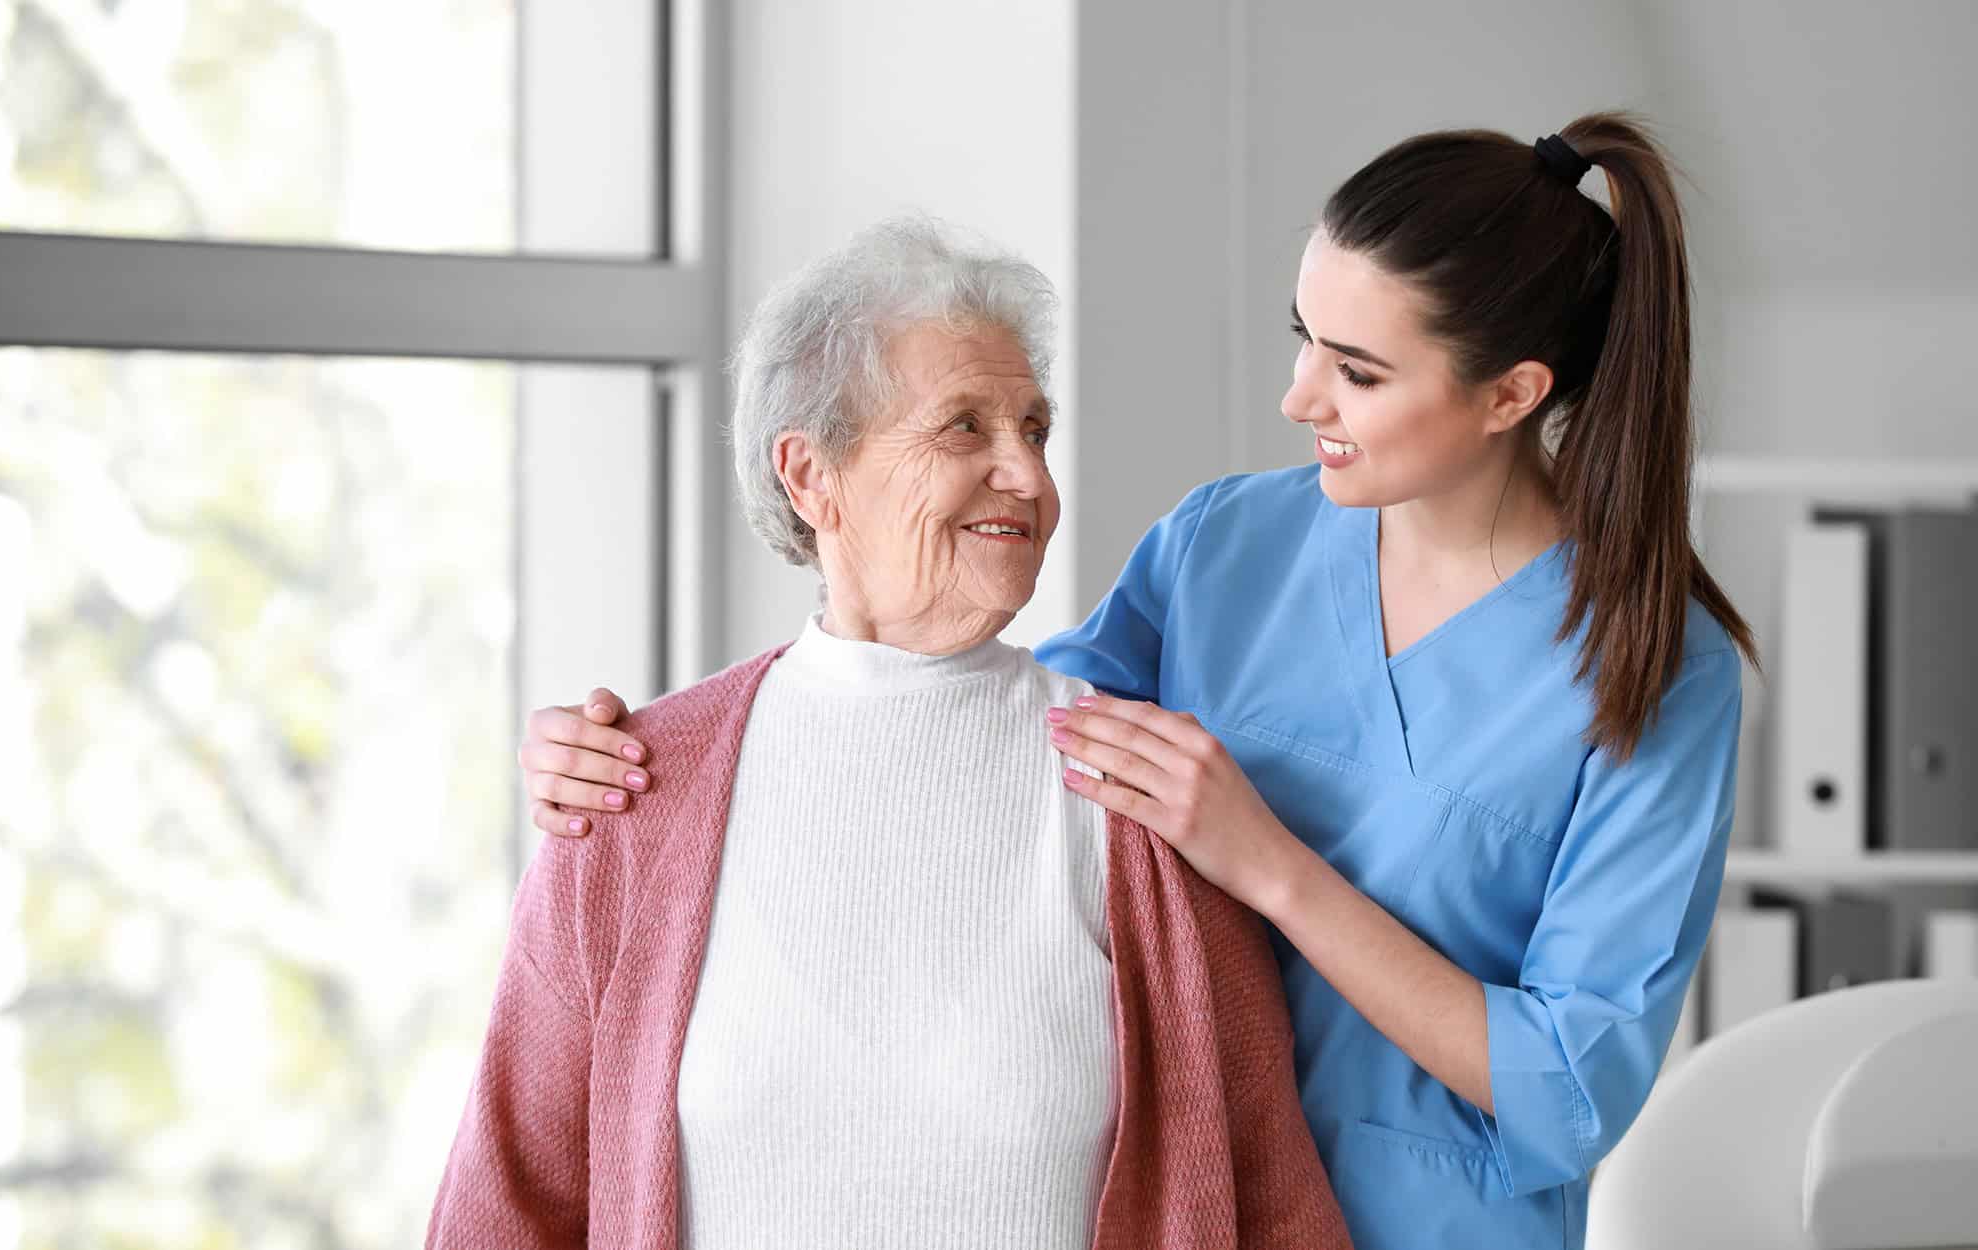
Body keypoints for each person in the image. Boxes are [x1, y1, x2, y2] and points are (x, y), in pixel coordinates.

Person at [517, 113, 1759, 1250]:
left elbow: (1569, 1086)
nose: (1297, 398)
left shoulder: (1653, 669)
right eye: (1302, 341)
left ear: (1511, 394)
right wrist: (636, 765)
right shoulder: (1228, 543)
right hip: (1170, 1206)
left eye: (1359, 373)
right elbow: (982, 731)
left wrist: (1265, 861)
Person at [428, 217, 1351, 1249]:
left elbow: (1272, 1204)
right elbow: (507, 1206)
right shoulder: (631, 791)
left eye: (1034, 431)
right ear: (810, 475)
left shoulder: (1144, 798)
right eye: (963, 427)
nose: (1028, 478)